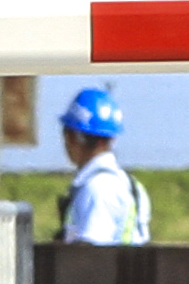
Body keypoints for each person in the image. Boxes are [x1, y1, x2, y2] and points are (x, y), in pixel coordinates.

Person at [57, 85, 152, 244]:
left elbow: (92, 259)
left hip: (113, 269)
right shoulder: (129, 184)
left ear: (71, 137)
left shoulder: (98, 189)